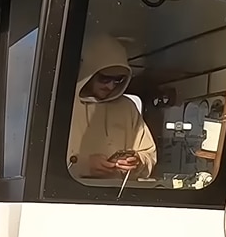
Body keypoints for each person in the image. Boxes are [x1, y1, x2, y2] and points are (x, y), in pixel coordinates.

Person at [67, 32, 158, 182]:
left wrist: (137, 162)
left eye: (118, 80)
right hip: (68, 198)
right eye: (105, 78)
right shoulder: (63, 106)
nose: (110, 86)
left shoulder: (128, 108)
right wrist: (85, 165)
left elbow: (148, 155)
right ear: (89, 72)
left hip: (118, 199)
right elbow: (43, 160)